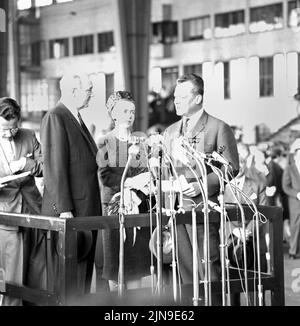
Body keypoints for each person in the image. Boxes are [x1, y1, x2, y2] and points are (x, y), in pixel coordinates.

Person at [162, 73, 239, 304]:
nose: (175, 101)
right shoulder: (170, 131)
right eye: (175, 96)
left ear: (197, 98)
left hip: (203, 211)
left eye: (182, 96)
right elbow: (166, 170)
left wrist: (200, 185)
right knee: (186, 275)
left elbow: (231, 167)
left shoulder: (218, 127)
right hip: (175, 213)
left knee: (209, 271)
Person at [39, 73, 101, 294]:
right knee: (68, 283)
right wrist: (65, 210)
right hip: (71, 213)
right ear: (73, 91)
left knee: (82, 281)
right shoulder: (56, 117)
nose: (91, 94)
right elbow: (54, 168)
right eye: (89, 90)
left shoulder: (76, 117)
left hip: (85, 210)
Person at [95, 91, 152, 292]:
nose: (130, 115)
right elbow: (105, 176)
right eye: (125, 111)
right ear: (114, 114)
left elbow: (146, 173)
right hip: (114, 206)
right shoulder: (105, 141)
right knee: (115, 267)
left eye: (132, 111)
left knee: (136, 266)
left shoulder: (141, 142)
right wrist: (129, 183)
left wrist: (143, 183)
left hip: (137, 206)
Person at [0, 97, 43, 306]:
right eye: (4, 129)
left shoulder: (28, 135)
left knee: (37, 273)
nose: (9, 134)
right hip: (5, 214)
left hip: (34, 211)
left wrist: (28, 163)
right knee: (12, 277)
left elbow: (46, 166)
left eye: (13, 128)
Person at [224, 142, 269, 305]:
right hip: (230, 243)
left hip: (255, 243)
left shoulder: (259, 184)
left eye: (241, 162)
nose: (238, 166)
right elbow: (220, 215)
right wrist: (234, 231)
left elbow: (263, 213)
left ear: (245, 162)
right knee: (232, 288)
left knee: (256, 288)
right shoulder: (222, 187)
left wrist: (247, 232)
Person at [282, 138, 300, 260]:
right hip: (295, 203)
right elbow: (285, 187)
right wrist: (297, 194)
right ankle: (293, 251)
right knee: (295, 226)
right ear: (296, 153)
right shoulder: (289, 168)